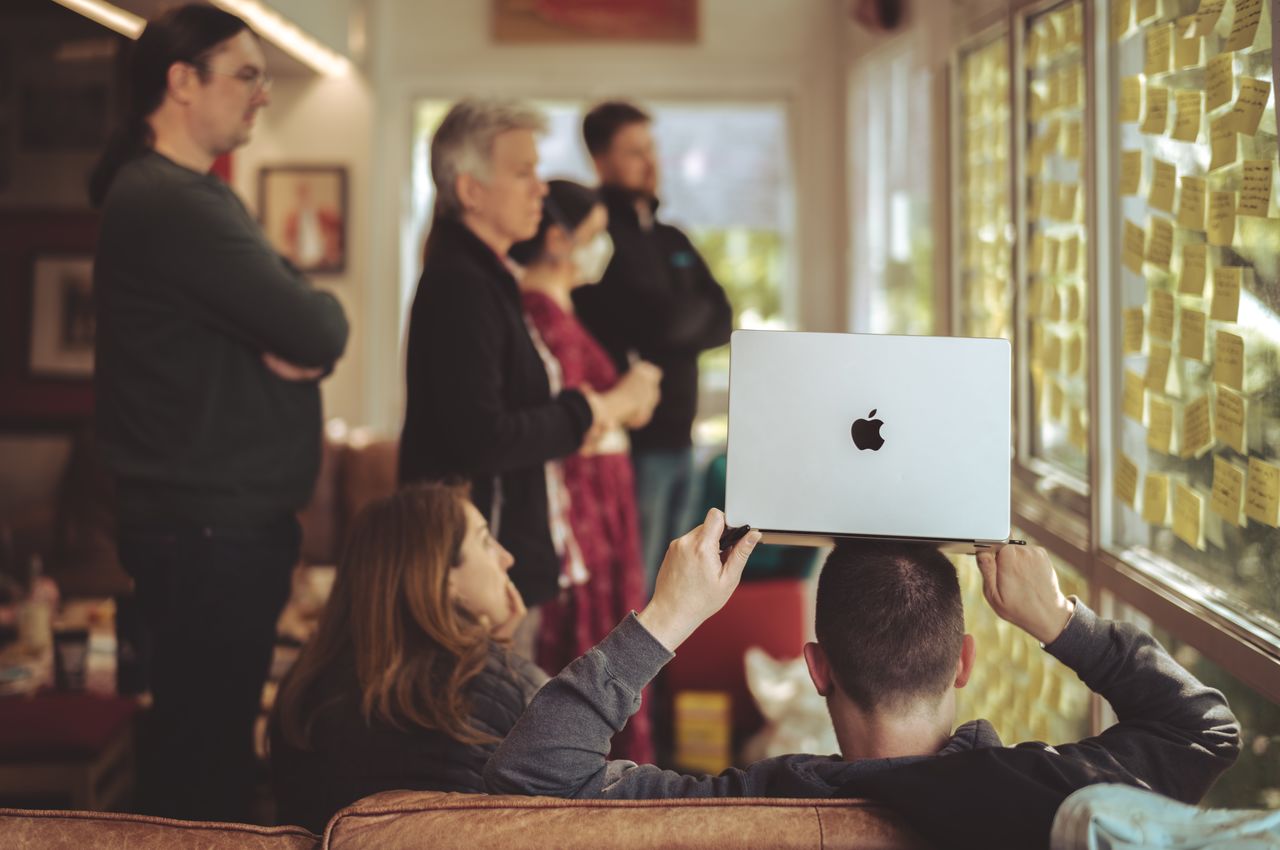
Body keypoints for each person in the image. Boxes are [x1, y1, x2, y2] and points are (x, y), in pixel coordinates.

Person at [485, 513, 1239, 819]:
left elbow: (530, 778)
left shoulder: (746, 808)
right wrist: (1059, 620)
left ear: (817, 669)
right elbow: (1203, 729)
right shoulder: (1053, 800)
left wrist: (668, 618)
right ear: (965, 661)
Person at [89, 4, 348, 822]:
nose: (262, 95)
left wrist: (298, 333)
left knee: (207, 747)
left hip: (212, 529)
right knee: (206, 770)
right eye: (244, 75)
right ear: (180, 81)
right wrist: (301, 339)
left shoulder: (185, 197)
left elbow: (303, 323)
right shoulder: (175, 204)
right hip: (208, 535)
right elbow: (318, 324)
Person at [398, 99, 660, 657]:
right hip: (473, 566)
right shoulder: (461, 286)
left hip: (499, 557)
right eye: (523, 173)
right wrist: (592, 410)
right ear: (471, 190)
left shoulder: (487, 277)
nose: (540, 190)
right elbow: (482, 436)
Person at [270, 484, 542, 834]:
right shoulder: (513, 685)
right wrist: (504, 662)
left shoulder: (302, 688)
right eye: (485, 541)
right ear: (443, 577)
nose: (507, 557)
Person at [509, 179, 657, 762]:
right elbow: (572, 411)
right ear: (557, 238)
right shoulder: (537, 307)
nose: (602, 247)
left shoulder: (565, 304)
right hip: (582, 495)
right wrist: (627, 395)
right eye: (593, 236)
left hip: (605, 490)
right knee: (591, 629)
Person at [575, 101, 734, 589]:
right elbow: (653, 321)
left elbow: (721, 315)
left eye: (652, 148)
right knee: (636, 591)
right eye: (634, 151)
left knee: (677, 590)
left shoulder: (671, 238)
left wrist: (670, 322)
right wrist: (679, 318)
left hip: (681, 442)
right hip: (630, 447)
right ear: (601, 161)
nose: (651, 162)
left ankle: (659, 672)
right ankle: (627, 672)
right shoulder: (595, 239)